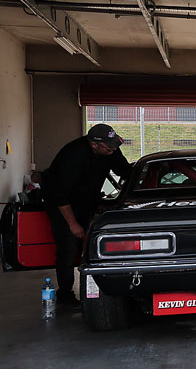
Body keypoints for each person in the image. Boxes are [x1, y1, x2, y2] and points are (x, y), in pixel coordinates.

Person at [41, 124, 132, 307]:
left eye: (115, 146)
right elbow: (60, 196)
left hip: (87, 200)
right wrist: (73, 224)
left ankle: (99, 289)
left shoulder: (110, 149)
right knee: (68, 248)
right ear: (94, 145)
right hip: (63, 206)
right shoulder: (72, 156)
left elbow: (125, 171)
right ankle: (65, 294)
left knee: (90, 245)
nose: (113, 151)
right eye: (109, 148)